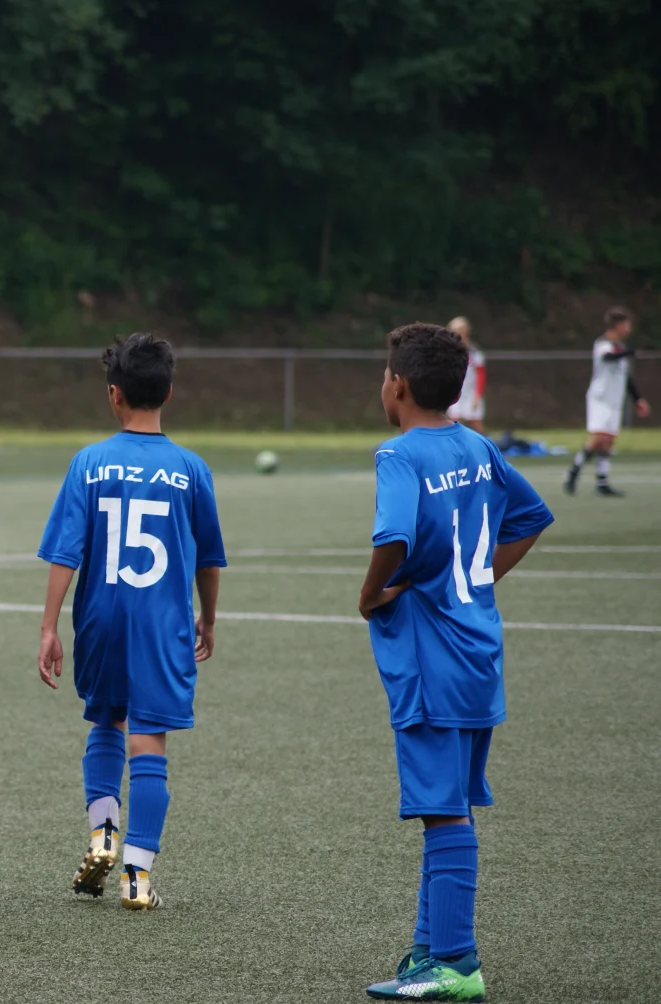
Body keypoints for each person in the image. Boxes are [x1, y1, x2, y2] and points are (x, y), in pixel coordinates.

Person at [357, 322, 553, 1001]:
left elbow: (394, 535)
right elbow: (530, 516)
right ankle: (429, 951)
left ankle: (457, 965)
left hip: (432, 659)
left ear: (399, 385)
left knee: (444, 813)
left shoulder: (400, 454)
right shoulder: (476, 444)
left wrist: (370, 593)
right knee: (449, 805)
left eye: (384, 375)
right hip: (478, 651)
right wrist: (476, 580)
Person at [35, 332, 226, 911]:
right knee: (149, 740)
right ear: (168, 391)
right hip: (160, 624)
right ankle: (138, 876)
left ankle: (102, 832)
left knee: (105, 723)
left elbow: (65, 552)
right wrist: (208, 619)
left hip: (100, 620)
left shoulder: (88, 462)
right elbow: (210, 557)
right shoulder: (192, 469)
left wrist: (49, 627)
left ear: (114, 395)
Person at [564, 306, 651, 497]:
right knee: (599, 438)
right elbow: (608, 357)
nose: (628, 328)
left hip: (614, 401)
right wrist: (628, 352)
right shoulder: (603, 344)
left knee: (609, 440)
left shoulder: (620, 349)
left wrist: (638, 399)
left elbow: (626, 378)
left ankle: (602, 482)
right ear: (618, 325)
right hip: (600, 399)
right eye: (626, 324)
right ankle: (573, 472)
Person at [444, 317, 486, 435]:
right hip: (456, 391)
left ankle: (487, 447)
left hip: (471, 392)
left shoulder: (473, 351)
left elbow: (481, 374)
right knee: (455, 422)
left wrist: (477, 395)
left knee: (475, 422)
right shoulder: (448, 352)